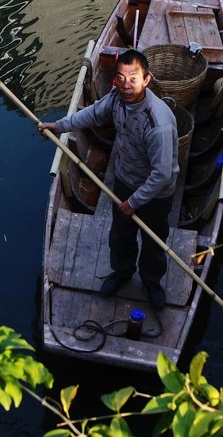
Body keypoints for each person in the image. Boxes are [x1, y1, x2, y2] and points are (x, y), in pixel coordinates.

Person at [39, 49, 179, 310]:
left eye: (133, 78)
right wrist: (59, 126)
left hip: (156, 192)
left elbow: (162, 174)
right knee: (120, 235)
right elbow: (92, 114)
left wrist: (134, 202)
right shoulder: (116, 98)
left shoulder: (157, 123)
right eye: (120, 78)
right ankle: (122, 272)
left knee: (154, 240)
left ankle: (151, 282)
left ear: (146, 80)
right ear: (114, 80)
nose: (126, 85)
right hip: (126, 179)